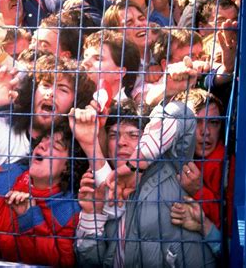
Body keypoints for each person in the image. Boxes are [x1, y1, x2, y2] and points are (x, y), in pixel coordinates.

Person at [75, 99, 216, 267]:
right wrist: (92, 214)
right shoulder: (103, 186)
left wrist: (136, 163)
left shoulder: (171, 165)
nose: (121, 142)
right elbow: (90, 263)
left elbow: (180, 113)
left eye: (133, 134)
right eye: (114, 135)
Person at [0, 124, 89, 266]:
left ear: (67, 166)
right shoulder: (5, 175)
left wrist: (30, 217)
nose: (42, 146)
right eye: (43, 140)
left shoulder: (69, 210)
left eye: (55, 146)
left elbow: (59, 264)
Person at [173, 88, 235, 232]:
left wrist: (198, 190)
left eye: (213, 122)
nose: (205, 131)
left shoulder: (228, 164)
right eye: (196, 122)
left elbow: (231, 230)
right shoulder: (169, 157)